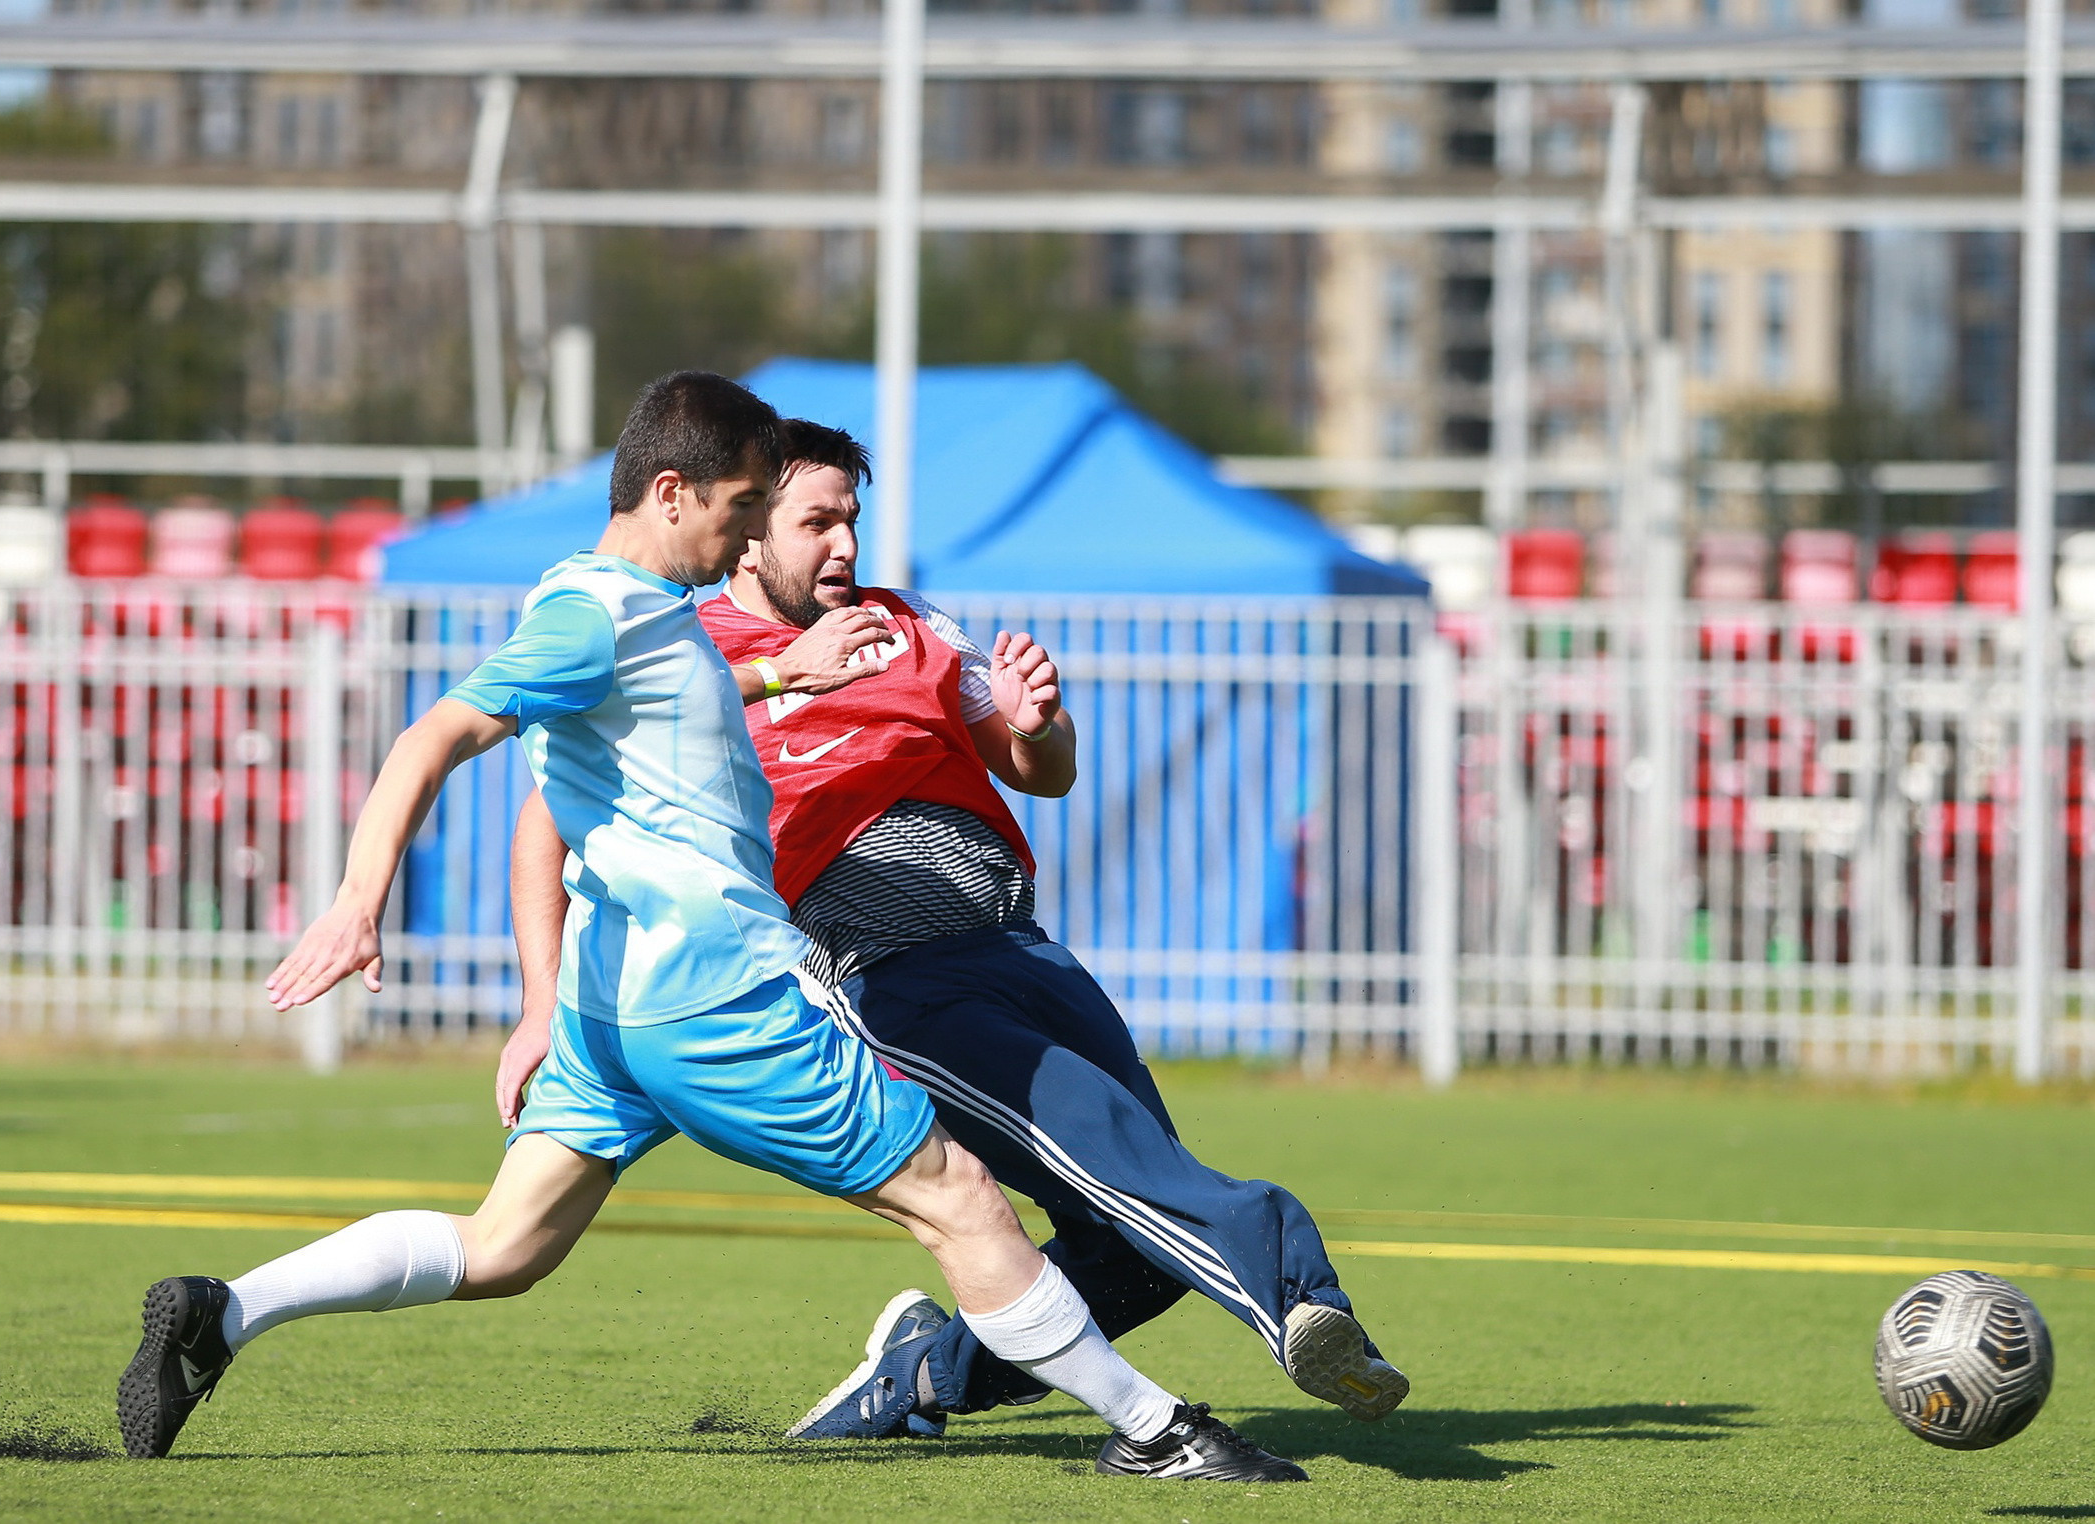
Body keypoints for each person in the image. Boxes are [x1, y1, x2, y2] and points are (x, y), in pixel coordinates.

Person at [115, 372, 1304, 1485]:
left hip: (610, 1009)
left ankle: (228, 1313)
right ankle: (1156, 1432)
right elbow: (438, 736)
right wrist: (356, 901)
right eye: (742, 509)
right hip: (717, 1000)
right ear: (671, 492)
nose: (747, 539)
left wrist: (786, 677)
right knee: (959, 1198)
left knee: (505, 1248)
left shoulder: (632, 607)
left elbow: (668, 694)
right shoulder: (599, 619)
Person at [500, 419, 1410, 1446]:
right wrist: (542, 1005)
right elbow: (545, 824)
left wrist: (1036, 723)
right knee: (1114, 1156)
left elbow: (1040, 773)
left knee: (1133, 1245)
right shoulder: (689, 653)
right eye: (816, 523)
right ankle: (1292, 1292)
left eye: (852, 519)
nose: (844, 544)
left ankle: (922, 1373)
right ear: (748, 532)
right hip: (892, 975)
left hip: (1020, 947)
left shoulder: (916, 624)